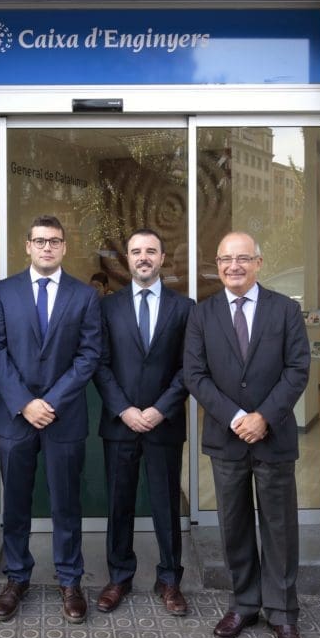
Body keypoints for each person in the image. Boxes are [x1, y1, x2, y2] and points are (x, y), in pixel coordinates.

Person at [183, 231, 310, 638]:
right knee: (234, 525)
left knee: (279, 527)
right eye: (225, 260)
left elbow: (297, 369)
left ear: (258, 262)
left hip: (273, 437)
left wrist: (263, 417)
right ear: (216, 265)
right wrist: (238, 418)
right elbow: (195, 376)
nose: (233, 266)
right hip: (226, 438)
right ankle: (244, 603)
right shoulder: (201, 315)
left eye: (242, 258)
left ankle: (282, 612)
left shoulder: (285, 310)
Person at [0, 215, 101, 624]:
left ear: (65, 247)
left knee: (66, 504)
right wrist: (24, 402)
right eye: (40, 241)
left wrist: (49, 401)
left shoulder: (84, 296)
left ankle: (70, 580)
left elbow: (89, 355)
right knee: (15, 504)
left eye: (54, 241)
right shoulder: (3, 292)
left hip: (64, 417)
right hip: (15, 419)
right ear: (27, 245)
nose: (47, 247)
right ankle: (16, 578)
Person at [94, 229, 194, 615]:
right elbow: (99, 364)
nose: (143, 257)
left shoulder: (184, 308)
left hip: (163, 424)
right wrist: (124, 409)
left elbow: (190, 367)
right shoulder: (107, 307)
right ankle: (119, 577)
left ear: (163, 258)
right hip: (120, 423)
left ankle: (170, 580)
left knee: (166, 504)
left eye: (151, 251)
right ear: (127, 259)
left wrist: (159, 409)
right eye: (136, 251)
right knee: (119, 503)